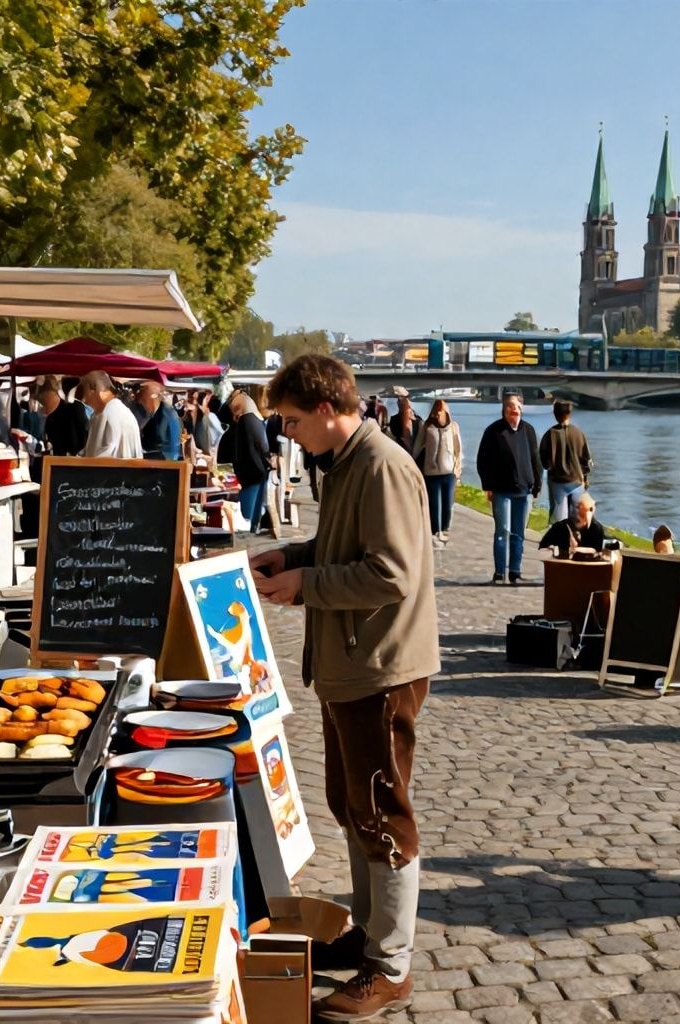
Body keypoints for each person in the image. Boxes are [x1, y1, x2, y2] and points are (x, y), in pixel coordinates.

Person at [250, 354, 438, 1021]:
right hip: (350, 665)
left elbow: (391, 574)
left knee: (382, 812)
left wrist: (305, 584)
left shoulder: (382, 465)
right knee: (351, 802)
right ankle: (371, 931)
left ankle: (391, 966)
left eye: (295, 421)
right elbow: (343, 550)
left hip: (380, 667)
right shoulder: (347, 463)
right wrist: (293, 557)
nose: (291, 433)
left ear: (328, 410)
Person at [475, 395, 541, 585]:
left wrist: (537, 485)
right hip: (501, 490)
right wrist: (487, 485)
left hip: (523, 491)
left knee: (519, 534)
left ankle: (515, 571)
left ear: (522, 409)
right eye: (510, 406)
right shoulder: (494, 431)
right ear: (504, 410)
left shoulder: (528, 431)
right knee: (502, 531)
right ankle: (499, 572)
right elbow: (483, 460)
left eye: (517, 406)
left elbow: (535, 459)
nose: (514, 410)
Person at [417, 399, 463, 548]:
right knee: (434, 504)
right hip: (431, 472)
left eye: (441, 409)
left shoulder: (453, 427)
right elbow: (418, 446)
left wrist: (457, 470)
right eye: (436, 408)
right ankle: (435, 532)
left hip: (448, 472)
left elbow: (458, 449)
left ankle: (444, 530)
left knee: (447, 504)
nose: (438, 411)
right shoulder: (427, 426)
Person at [539, 400, 593, 522]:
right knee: (577, 520)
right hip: (577, 481)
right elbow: (586, 460)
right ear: (569, 414)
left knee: (558, 521)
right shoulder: (579, 434)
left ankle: (559, 540)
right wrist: (585, 479)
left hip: (557, 482)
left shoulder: (549, 434)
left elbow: (544, 462)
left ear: (555, 414)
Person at [227, 389, 272, 533]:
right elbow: (262, 446)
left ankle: (250, 532)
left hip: (250, 474)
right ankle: (252, 530)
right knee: (253, 515)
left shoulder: (246, 421)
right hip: (257, 472)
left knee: (248, 515)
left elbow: (243, 451)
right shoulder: (254, 419)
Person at [80, 369, 144, 459]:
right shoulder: (105, 412)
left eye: (84, 391)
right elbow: (91, 450)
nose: (84, 399)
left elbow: (106, 456)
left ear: (94, 391)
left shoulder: (112, 412)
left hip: (117, 472)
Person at [538, 491, 607, 554]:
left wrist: (576, 550)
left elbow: (597, 550)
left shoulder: (597, 529)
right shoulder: (560, 527)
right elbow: (542, 548)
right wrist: (553, 549)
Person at [39, 374, 89, 457]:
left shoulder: (52, 413)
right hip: (73, 457)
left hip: (64, 457)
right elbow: (84, 432)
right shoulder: (77, 407)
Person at [139, 381, 185, 462]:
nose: (142, 401)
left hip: (163, 461)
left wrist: (170, 463)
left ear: (153, 396)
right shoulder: (152, 414)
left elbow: (173, 444)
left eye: (144, 396)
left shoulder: (168, 414)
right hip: (154, 459)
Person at [385, 388, 421, 457]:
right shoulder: (417, 421)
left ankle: (403, 398)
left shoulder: (395, 423)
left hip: (402, 437)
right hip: (406, 439)